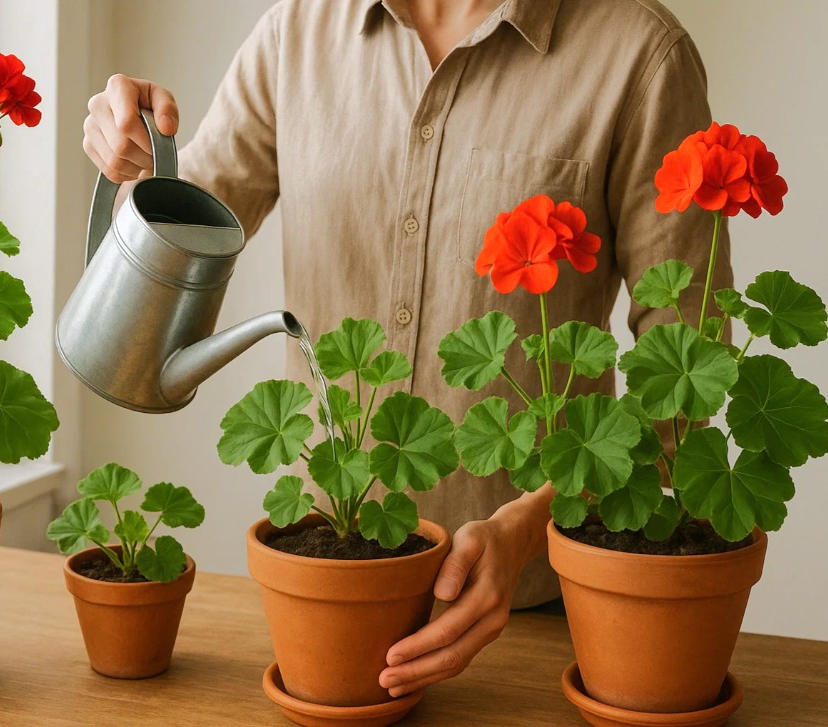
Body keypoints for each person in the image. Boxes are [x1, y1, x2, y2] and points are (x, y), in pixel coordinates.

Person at [82, 0, 729, 700]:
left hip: (533, 620)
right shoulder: (294, 33)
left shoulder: (639, 54)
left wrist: (532, 523)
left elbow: (686, 377)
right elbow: (173, 246)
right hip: (330, 591)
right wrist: (135, 162)